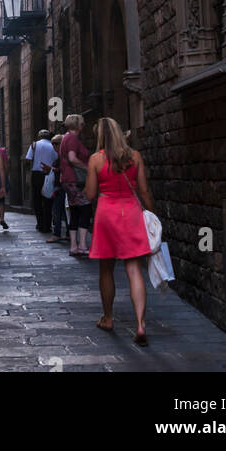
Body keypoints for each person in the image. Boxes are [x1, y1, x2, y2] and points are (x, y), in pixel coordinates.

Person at [84, 117, 154, 345]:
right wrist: (152, 214)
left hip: (107, 215)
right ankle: (141, 325)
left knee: (106, 269)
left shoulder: (96, 159)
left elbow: (91, 194)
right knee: (134, 269)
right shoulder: (135, 156)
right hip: (131, 213)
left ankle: (108, 317)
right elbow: (143, 191)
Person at [60, 113, 92, 256]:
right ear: (78, 125)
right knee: (85, 209)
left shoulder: (65, 137)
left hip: (68, 179)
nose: (84, 126)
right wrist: (87, 168)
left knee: (74, 211)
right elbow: (73, 158)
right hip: (75, 180)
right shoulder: (72, 138)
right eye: (82, 124)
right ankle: (82, 245)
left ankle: (74, 245)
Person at [26, 128, 56, 234]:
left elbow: (29, 159)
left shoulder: (34, 145)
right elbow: (56, 159)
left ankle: (40, 223)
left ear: (39, 136)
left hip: (36, 174)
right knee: (48, 199)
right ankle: (47, 225)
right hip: (49, 174)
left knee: (37, 199)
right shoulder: (53, 145)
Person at [47, 134, 69, 243]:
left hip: (62, 187)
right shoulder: (60, 156)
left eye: (56, 143)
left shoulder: (64, 156)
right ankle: (67, 233)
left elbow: (64, 169)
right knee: (63, 211)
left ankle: (57, 234)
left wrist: (52, 169)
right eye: (53, 144)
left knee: (58, 211)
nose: (53, 146)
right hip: (60, 187)